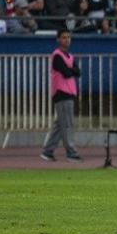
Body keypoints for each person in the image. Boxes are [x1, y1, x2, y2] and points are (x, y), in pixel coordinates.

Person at [40, 30, 83, 163]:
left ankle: (48, 151)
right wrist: (72, 70)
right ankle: (71, 152)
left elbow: (78, 72)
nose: (67, 40)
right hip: (61, 92)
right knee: (67, 124)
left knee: (60, 124)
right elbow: (67, 73)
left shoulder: (70, 56)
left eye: (68, 37)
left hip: (68, 92)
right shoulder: (57, 55)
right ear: (58, 39)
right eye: (64, 37)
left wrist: (71, 71)